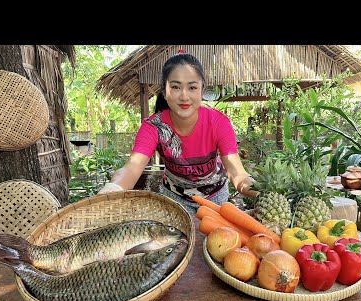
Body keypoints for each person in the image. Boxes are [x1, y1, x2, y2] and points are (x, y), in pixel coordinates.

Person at [99, 51, 258, 213]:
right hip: (174, 200)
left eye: (192, 87)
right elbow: (131, 168)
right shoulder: (153, 127)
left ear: (202, 90)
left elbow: (238, 174)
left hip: (215, 199)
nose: (184, 96)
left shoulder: (219, 123)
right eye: (175, 87)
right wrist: (111, 190)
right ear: (164, 91)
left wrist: (262, 193)